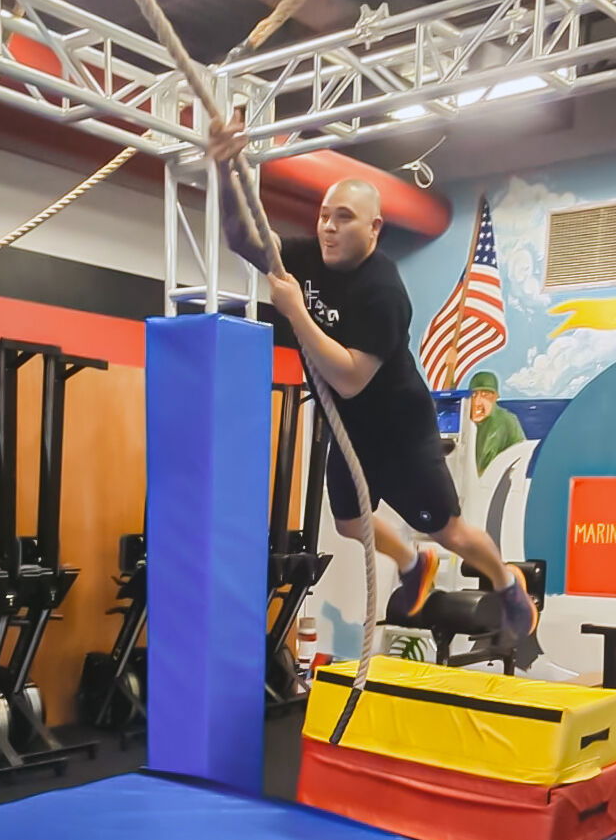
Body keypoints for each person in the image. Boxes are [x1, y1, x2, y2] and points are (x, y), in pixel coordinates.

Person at [207, 114, 537, 640]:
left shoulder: (383, 291)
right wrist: (225, 167)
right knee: (348, 523)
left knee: (445, 530)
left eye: (345, 218)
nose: (329, 228)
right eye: (324, 216)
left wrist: (296, 313)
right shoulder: (306, 257)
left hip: (400, 430)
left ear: (374, 228)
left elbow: (351, 378)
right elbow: (241, 235)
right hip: (350, 428)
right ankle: (411, 563)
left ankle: (506, 580)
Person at [469, 371, 525, 475]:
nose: (477, 402)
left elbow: (520, 459)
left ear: (495, 397)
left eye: (485, 395)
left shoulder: (508, 421)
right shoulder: (463, 422)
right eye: (473, 395)